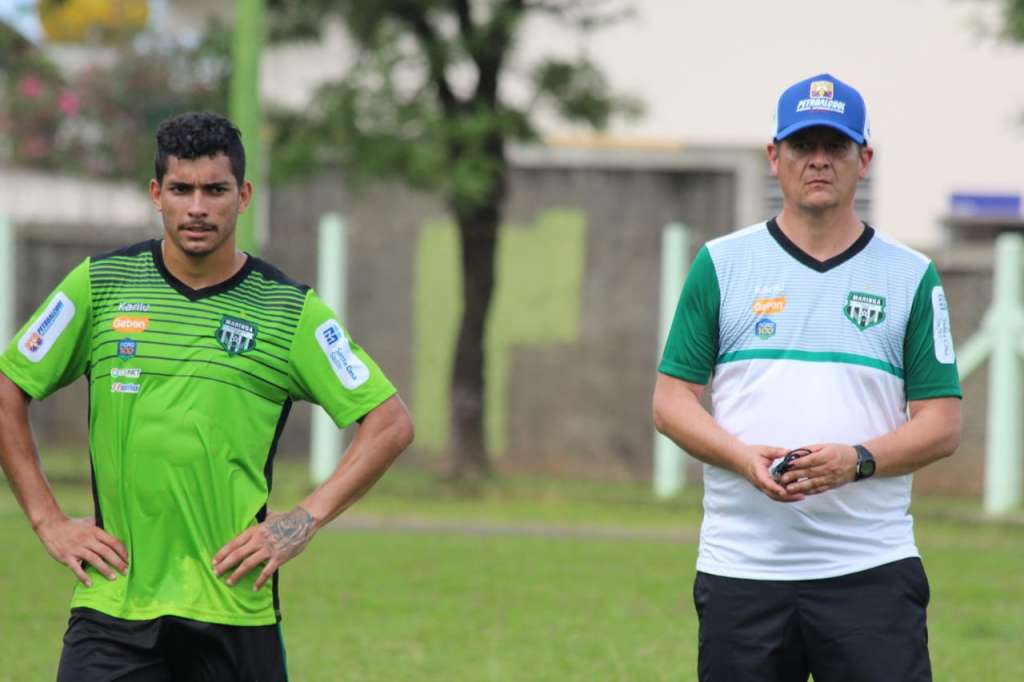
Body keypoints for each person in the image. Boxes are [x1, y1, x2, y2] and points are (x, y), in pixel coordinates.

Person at [0, 112, 414, 681]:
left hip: (234, 609)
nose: (197, 207)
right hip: (114, 607)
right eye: (181, 189)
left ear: (242, 196)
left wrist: (303, 520)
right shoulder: (99, 285)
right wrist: (47, 520)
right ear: (157, 194)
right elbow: (8, 389)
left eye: (215, 190)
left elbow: (389, 422)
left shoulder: (290, 312)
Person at [652, 73, 962, 682]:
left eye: (836, 146)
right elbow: (670, 402)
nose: (818, 160)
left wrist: (858, 459)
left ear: (863, 159)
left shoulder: (911, 276)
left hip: (870, 571)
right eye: (802, 146)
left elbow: (943, 425)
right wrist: (742, 457)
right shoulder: (722, 264)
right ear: (775, 156)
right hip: (744, 571)